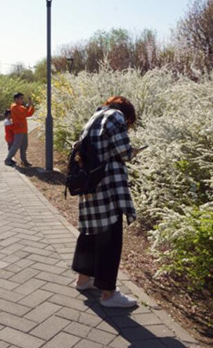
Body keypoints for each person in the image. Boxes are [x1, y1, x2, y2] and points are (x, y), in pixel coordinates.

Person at [71, 95, 141, 308]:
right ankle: (109, 294)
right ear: (126, 113)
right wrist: (133, 152)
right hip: (108, 187)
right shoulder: (116, 116)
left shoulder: (95, 116)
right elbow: (124, 152)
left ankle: (83, 280)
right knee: (110, 238)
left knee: (90, 233)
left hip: (90, 184)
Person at [5, 92, 34, 167]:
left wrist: (32, 106)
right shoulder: (14, 106)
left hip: (24, 129)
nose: (22, 100)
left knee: (24, 146)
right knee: (16, 145)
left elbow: (29, 114)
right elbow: (23, 114)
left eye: (22, 98)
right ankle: (8, 159)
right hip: (18, 130)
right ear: (16, 99)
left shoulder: (21, 106)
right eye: (21, 98)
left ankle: (24, 161)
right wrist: (28, 106)